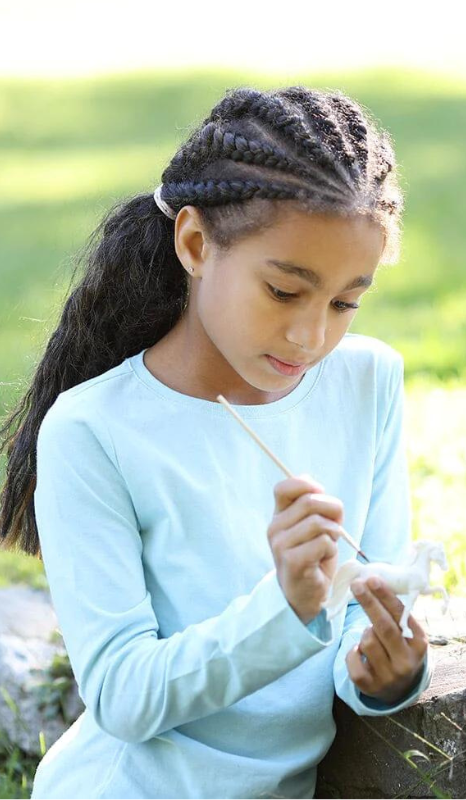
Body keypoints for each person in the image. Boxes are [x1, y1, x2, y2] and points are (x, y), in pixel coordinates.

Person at [0, 85, 434, 798]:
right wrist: (284, 609)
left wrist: (384, 670)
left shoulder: (368, 381)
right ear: (196, 244)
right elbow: (122, 695)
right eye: (284, 292)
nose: (311, 335)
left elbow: (370, 599)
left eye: (345, 301)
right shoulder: (92, 431)